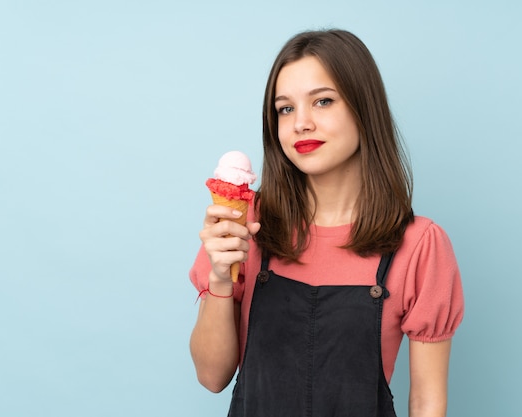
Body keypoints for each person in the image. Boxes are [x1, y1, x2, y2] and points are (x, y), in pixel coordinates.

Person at [189, 29, 464, 417]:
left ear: (363, 108)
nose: (301, 123)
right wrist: (220, 278)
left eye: (322, 101)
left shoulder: (420, 245)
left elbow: (426, 403)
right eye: (285, 108)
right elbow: (211, 376)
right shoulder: (243, 224)